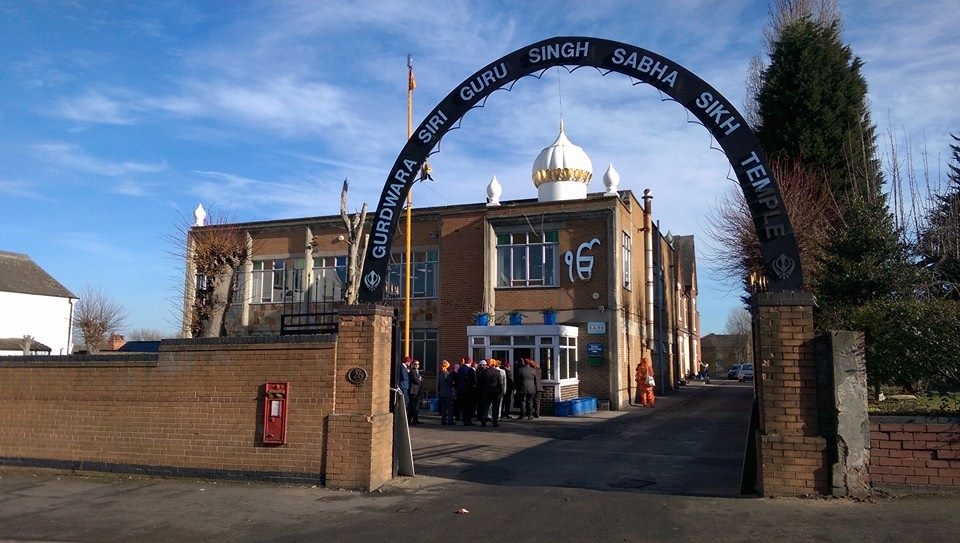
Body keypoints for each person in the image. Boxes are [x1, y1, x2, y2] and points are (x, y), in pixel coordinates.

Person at [479, 359, 504, 427]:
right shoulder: (497, 372)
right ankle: (495, 422)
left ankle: (484, 421)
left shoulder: (485, 372)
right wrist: (501, 391)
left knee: (486, 407)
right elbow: (499, 383)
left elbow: (481, 382)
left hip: (486, 392)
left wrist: (482, 391)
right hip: (495, 392)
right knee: (495, 408)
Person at [457, 357, 477, 426]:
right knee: (469, 406)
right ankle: (468, 420)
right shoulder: (470, 370)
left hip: (461, 390)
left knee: (463, 406)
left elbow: (458, 379)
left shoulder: (460, 369)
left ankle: (464, 419)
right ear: (470, 362)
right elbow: (473, 380)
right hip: (469, 390)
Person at [437, 360, 454, 425]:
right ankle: (450, 421)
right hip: (447, 393)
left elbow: (439, 385)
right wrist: (453, 383)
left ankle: (443, 420)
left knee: (443, 408)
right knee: (449, 408)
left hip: (441, 393)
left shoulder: (440, 374)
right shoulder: (447, 374)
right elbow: (450, 384)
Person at [407, 359, 423, 424]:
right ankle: (409, 420)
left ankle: (415, 419)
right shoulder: (412, 371)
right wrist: (420, 380)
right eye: (415, 364)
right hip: (413, 391)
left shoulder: (417, 372)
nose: (417, 365)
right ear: (412, 364)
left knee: (416, 406)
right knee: (412, 406)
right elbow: (417, 381)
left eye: (418, 364)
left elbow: (421, 380)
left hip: (417, 391)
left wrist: (420, 379)